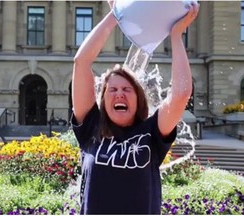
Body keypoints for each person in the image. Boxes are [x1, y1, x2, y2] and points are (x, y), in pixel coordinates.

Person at [71, 1, 199, 214]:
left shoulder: (152, 133)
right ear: (102, 100)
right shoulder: (90, 126)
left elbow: (181, 94)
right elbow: (81, 61)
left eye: (127, 89)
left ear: (139, 99)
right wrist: (116, 14)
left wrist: (176, 36)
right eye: (112, 90)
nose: (119, 93)